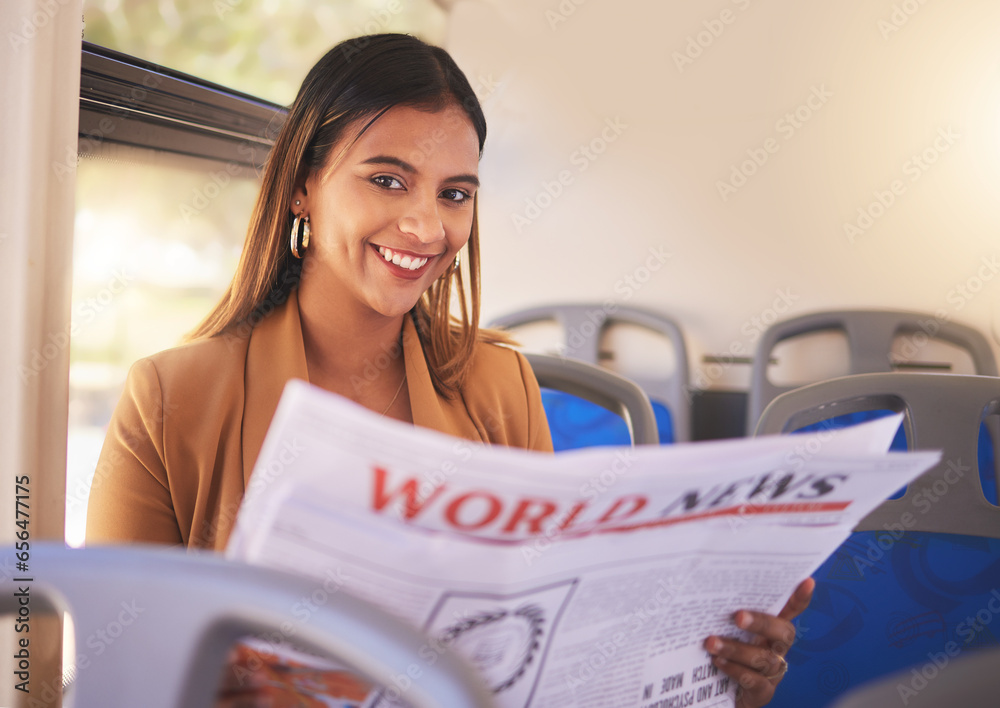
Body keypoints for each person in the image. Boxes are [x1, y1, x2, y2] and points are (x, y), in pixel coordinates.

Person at [85, 32, 811, 708]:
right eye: (388, 181)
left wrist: (720, 677)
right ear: (304, 186)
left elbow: (553, 657)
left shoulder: (499, 383)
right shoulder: (170, 398)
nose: (428, 228)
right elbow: (112, 674)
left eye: (454, 193)